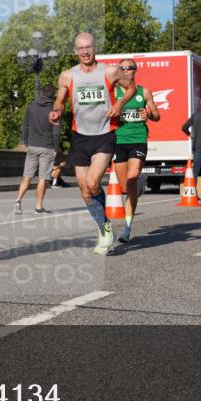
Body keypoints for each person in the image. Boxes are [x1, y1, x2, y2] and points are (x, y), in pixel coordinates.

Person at [49, 32, 135, 255]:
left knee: (93, 182)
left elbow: (131, 88)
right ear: (75, 51)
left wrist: (120, 105)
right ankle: (105, 228)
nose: (85, 51)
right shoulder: (68, 76)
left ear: (95, 48)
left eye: (89, 47)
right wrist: (57, 112)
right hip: (80, 136)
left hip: (105, 134)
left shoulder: (109, 71)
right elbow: (60, 100)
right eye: (81, 48)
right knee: (85, 191)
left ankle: (105, 229)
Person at [112, 58, 160, 242]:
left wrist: (148, 114)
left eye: (129, 68)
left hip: (138, 139)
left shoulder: (144, 92)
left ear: (135, 71)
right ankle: (140, 182)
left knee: (130, 182)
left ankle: (127, 228)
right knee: (125, 186)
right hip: (118, 140)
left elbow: (157, 115)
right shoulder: (113, 92)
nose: (125, 70)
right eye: (122, 68)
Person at [15, 84, 60, 214]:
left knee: (27, 176)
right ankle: (38, 206)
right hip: (47, 146)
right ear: (53, 95)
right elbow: (56, 132)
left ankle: (18, 200)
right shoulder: (54, 109)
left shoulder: (31, 106)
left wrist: (26, 142)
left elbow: (25, 126)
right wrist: (56, 149)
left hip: (33, 145)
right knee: (43, 178)